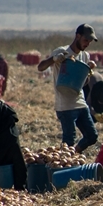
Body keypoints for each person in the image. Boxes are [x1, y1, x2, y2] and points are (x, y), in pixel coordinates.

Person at [38, 24, 99, 153]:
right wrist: (54, 59)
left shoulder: (85, 56)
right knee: (69, 140)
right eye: (85, 40)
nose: (87, 43)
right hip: (65, 106)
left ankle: (73, 154)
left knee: (92, 136)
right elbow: (41, 67)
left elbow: (83, 83)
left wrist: (87, 71)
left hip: (80, 103)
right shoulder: (62, 51)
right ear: (78, 36)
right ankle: (64, 167)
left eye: (90, 41)